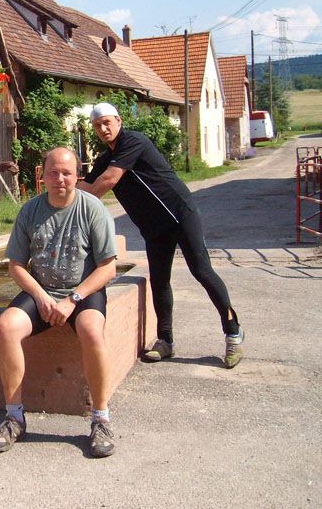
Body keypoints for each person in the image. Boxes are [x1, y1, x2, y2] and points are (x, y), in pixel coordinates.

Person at [78, 102, 244, 368]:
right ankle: (165, 341)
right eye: (97, 125)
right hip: (153, 226)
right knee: (159, 280)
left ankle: (233, 332)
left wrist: (77, 203)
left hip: (179, 213)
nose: (103, 128)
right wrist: (60, 188)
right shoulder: (105, 159)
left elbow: (107, 181)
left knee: (202, 271)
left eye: (107, 122)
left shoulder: (133, 141)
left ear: (119, 121)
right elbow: (86, 187)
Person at [0, 148, 118, 458]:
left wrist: (73, 299)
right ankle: (14, 418)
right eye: (54, 173)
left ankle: (101, 419)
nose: (60, 179)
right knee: (6, 327)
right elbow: (16, 265)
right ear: (43, 176)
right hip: (43, 292)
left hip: (82, 292)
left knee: (91, 330)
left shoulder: (92, 209)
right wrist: (40, 296)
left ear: (77, 175)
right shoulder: (30, 211)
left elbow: (108, 268)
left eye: (67, 173)